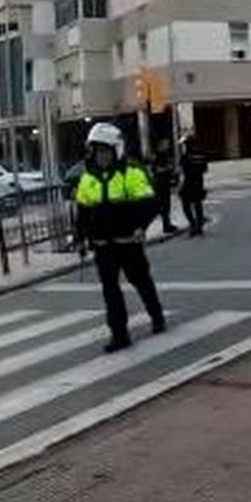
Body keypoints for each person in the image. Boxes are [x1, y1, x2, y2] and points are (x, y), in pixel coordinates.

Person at [74, 122, 166, 353]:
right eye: (96, 151)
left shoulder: (131, 172)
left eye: (105, 151)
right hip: (103, 245)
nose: (101, 156)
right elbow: (83, 211)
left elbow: (149, 204)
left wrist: (140, 227)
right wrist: (80, 237)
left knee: (141, 281)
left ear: (117, 150)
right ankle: (119, 333)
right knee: (110, 290)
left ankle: (156, 315)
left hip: (128, 242)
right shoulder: (88, 178)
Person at [177, 134, 208, 236]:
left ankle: (193, 224)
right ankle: (199, 225)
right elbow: (205, 169)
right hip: (199, 182)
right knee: (198, 204)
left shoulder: (186, 156)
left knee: (185, 204)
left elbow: (181, 171)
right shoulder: (201, 154)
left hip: (188, 182)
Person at [149, 137, 179, 234]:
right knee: (161, 206)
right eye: (165, 143)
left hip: (166, 183)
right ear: (160, 145)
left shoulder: (165, 155)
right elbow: (155, 170)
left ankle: (167, 224)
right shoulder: (156, 156)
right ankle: (165, 225)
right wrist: (167, 168)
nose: (167, 145)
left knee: (166, 206)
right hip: (160, 184)